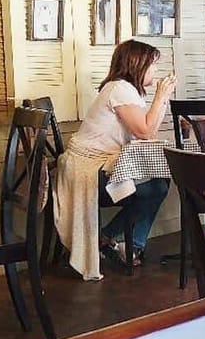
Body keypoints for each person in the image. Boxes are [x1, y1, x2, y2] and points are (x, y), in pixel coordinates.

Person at [54, 40, 177, 281]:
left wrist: (162, 99)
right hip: (86, 173)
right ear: (137, 65)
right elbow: (145, 132)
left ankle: (112, 239)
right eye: (152, 65)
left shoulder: (123, 90)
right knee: (156, 187)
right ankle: (121, 242)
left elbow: (148, 129)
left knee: (158, 184)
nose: (154, 70)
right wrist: (160, 96)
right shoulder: (120, 89)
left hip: (95, 167)